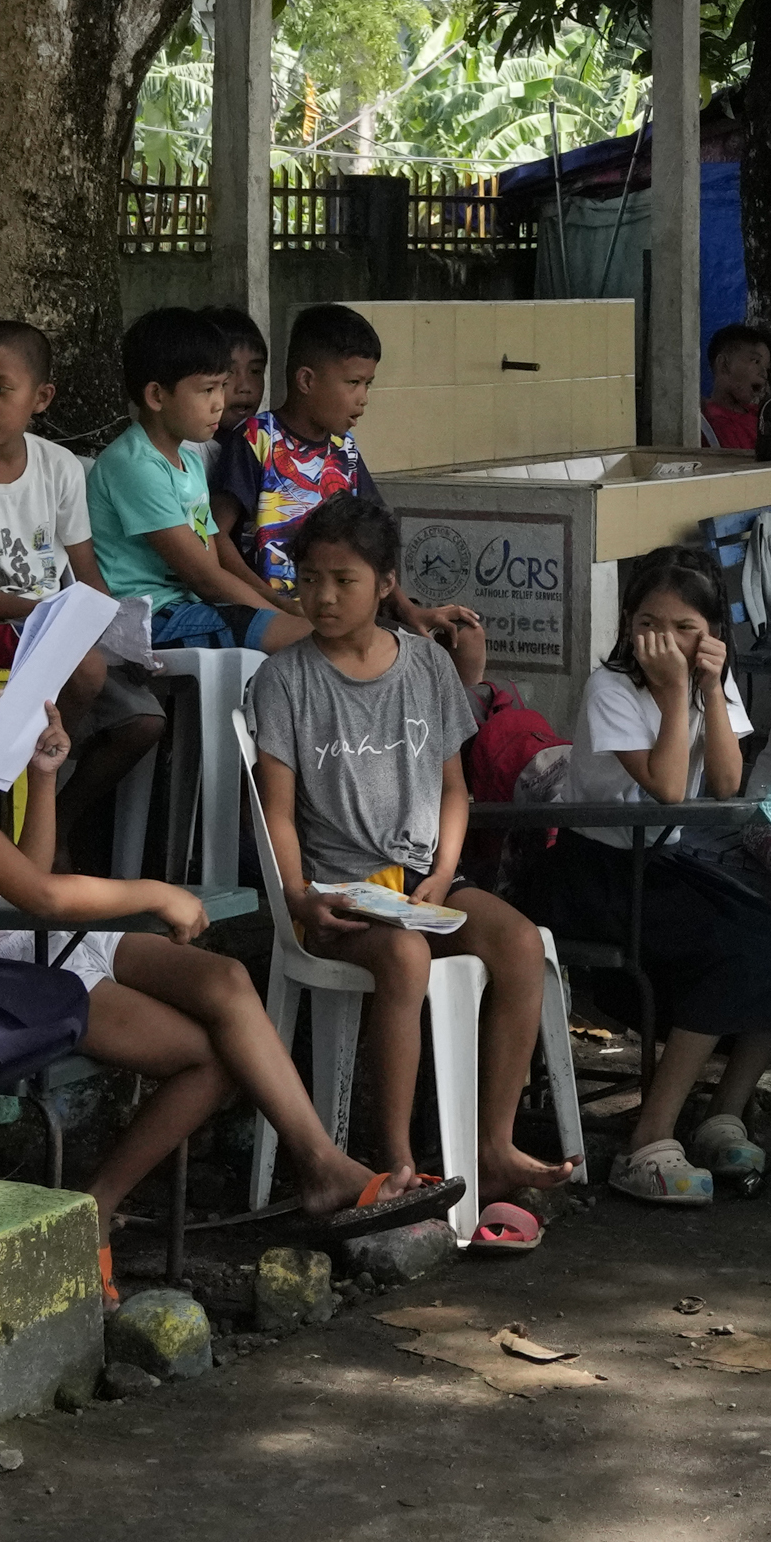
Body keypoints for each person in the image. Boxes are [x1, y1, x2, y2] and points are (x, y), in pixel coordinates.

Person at [0, 589, 422, 1277]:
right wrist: (157, 889)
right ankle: (88, 1201)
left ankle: (312, 1170)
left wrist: (42, 776)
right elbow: (40, 896)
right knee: (179, 1042)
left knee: (219, 995)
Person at [248, 498, 576, 1243]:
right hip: (341, 893)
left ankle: (492, 1146)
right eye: (309, 578)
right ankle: (396, 1164)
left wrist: (444, 871)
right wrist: (299, 894)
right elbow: (275, 813)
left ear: (387, 582)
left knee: (520, 942)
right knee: (403, 955)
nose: (323, 596)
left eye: (344, 579)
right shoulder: (285, 680)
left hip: (423, 883)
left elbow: (454, 788)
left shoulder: (426, 665)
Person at [519, 550, 771, 1205]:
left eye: (683, 627)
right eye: (648, 622)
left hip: (659, 863)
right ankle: (647, 1137)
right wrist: (679, 690)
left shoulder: (715, 678)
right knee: (727, 951)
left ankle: (722, 1114)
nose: (663, 640)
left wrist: (707, 688)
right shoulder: (611, 687)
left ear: (711, 631)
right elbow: (670, 789)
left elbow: (731, 781)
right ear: (627, 624)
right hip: (591, 871)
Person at [0, 319, 160, 826]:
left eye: (1, 390)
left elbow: (83, 570)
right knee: (86, 669)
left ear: (41, 397)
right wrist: (51, 615)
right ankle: (27, 783)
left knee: (145, 720)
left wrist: (116, 630)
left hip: (45, 626)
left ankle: (55, 818)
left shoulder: (60, 467)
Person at [89, 306, 304, 655]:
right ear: (157, 396)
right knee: (305, 640)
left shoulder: (187, 459)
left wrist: (278, 601)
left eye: (222, 387)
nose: (219, 403)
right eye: (207, 390)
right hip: (148, 617)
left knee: (314, 631)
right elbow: (205, 577)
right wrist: (277, 614)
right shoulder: (136, 466)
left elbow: (213, 553)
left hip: (190, 606)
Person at [214, 303, 387, 594]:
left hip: (336, 611)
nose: (363, 398)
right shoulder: (256, 438)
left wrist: (407, 608)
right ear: (306, 380)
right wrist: (269, 603)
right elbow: (216, 537)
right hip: (271, 613)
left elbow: (374, 540)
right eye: (354, 382)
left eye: (367, 384)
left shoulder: (345, 450)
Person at [702, 323, 771, 454]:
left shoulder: (763, 416)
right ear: (724, 364)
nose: (763, 373)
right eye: (756, 362)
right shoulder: (709, 423)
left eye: (766, 368)